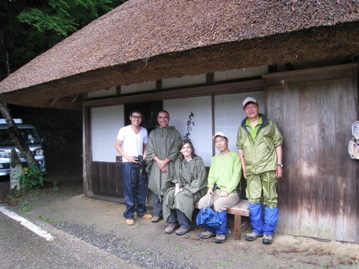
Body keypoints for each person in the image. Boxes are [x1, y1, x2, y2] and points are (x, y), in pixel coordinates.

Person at [236, 97, 283, 244]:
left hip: (269, 167)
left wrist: (279, 164)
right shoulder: (242, 127)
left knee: (270, 198)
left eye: (252, 106)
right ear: (244, 110)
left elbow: (278, 144)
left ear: (257, 107)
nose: (250, 109)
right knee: (253, 199)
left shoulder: (269, 124)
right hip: (251, 169)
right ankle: (257, 229)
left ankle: (268, 232)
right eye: (247, 107)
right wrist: (244, 168)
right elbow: (240, 149)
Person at [198, 132, 241, 244]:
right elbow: (211, 175)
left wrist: (227, 190)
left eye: (221, 140)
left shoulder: (235, 157)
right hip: (217, 191)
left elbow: (237, 176)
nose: (219, 143)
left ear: (227, 141)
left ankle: (221, 232)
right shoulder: (214, 159)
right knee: (203, 202)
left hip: (232, 192)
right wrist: (210, 187)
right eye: (216, 141)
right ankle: (210, 229)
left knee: (219, 204)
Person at [163, 140, 207, 235]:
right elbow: (175, 177)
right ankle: (173, 221)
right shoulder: (179, 161)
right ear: (180, 150)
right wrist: (177, 186)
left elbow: (200, 180)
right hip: (182, 187)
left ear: (191, 149)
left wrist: (184, 189)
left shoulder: (198, 161)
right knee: (169, 194)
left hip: (196, 190)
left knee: (180, 196)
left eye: (188, 147)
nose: (186, 149)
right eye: (183, 148)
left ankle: (185, 224)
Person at [116, 110, 152, 226]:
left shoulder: (144, 131)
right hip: (128, 163)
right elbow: (117, 146)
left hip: (140, 162)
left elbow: (146, 146)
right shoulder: (124, 130)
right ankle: (129, 214)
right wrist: (127, 157)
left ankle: (141, 211)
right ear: (130, 118)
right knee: (130, 188)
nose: (137, 119)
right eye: (135, 117)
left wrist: (144, 156)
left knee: (142, 187)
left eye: (139, 117)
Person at [146, 110, 182, 223]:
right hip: (156, 165)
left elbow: (177, 149)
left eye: (165, 117)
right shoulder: (153, 133)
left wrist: (164, 162)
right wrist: (159, 162)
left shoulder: (175, 133)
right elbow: (150, 149)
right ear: (157, 119)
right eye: (160, 117)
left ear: (169, 118)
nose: (163, 119)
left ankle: (170, 215)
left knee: (168, 188)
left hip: (170, 164)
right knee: (156, 187)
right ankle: (157, 213)